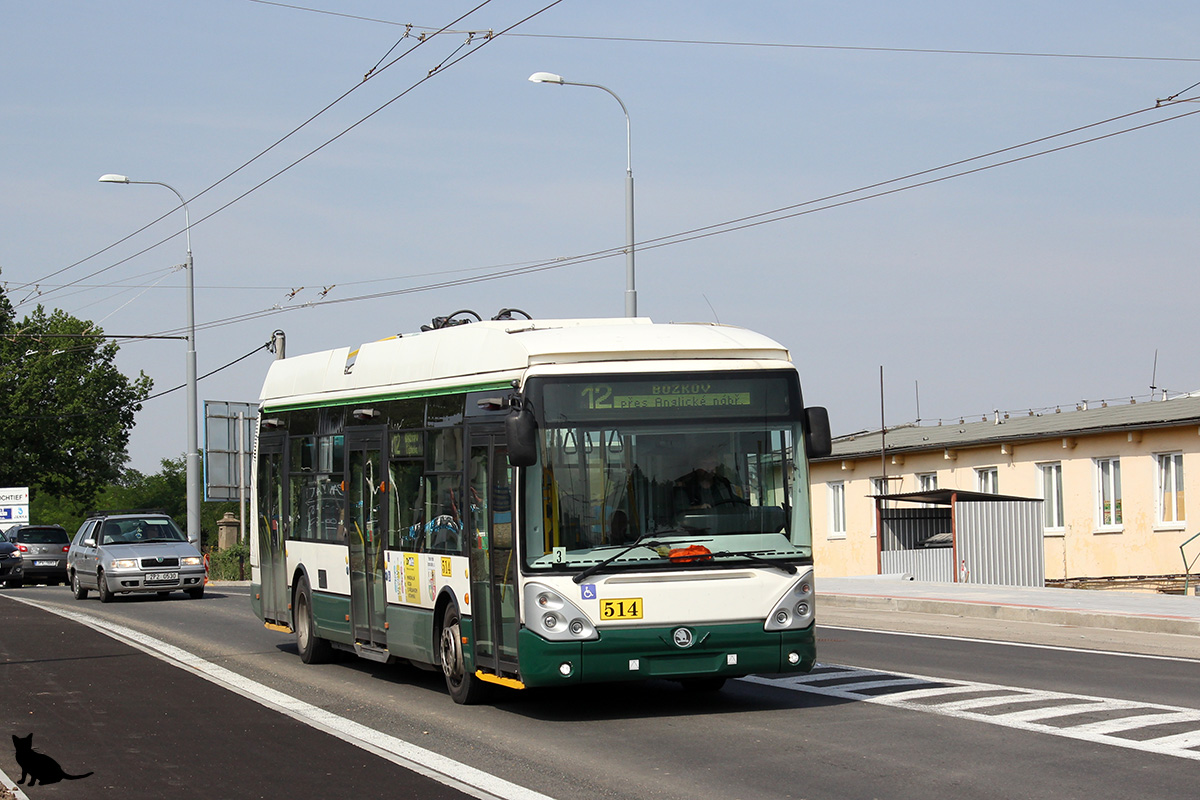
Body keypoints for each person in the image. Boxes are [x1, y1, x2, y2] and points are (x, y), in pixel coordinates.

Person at [674, 448, 739, 511]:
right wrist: (697, 508)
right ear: (696, 466)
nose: (709, 468)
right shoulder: (685, 486)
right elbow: (680, 511)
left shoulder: (724, 484)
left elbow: (736, 505)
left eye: (712, 464)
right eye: (704, 464)